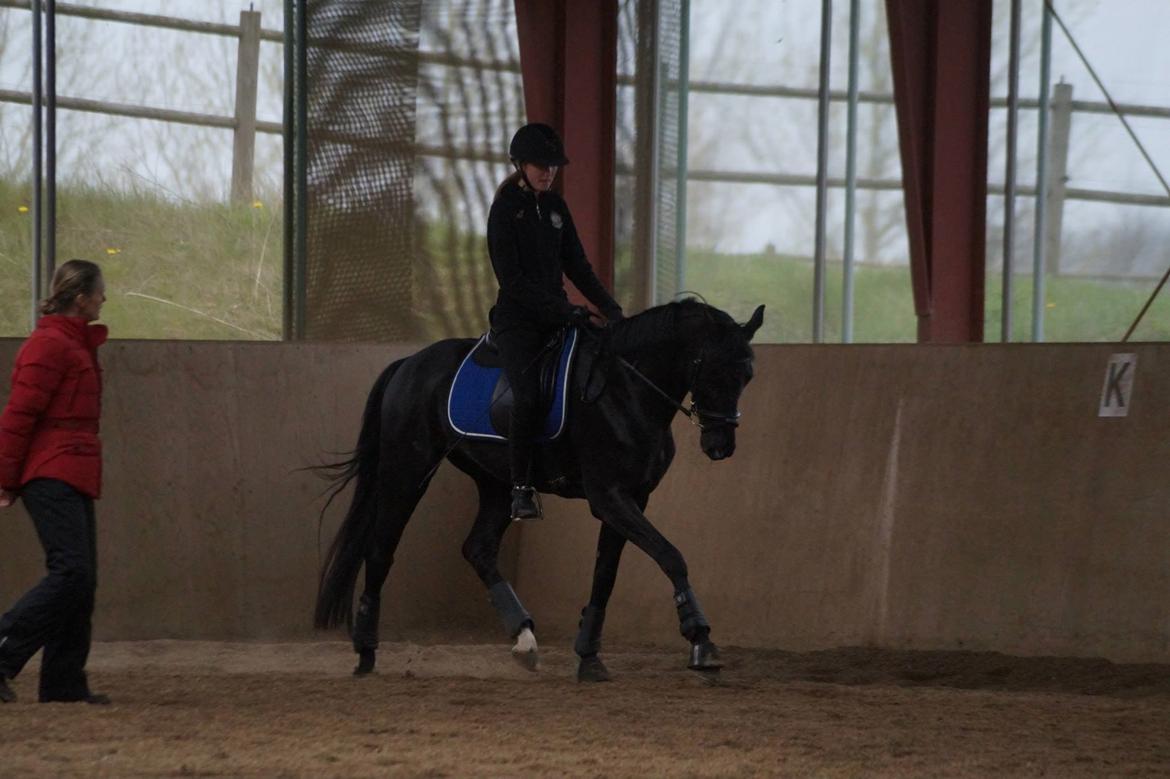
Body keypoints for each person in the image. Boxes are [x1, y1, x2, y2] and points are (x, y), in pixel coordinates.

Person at [487, 123, 623, 521]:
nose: (549, 172)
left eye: (553, 166)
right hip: (519, 322)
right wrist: (565, 310)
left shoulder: (556, 209)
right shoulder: (504, 210)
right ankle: (520, 489)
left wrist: (609, 307)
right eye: (540, 165)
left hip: (558, 317)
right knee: (527, 396)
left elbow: (577, 266)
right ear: (520, 164)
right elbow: (511, 280)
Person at [0, 259, 109, 705]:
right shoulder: (50, 346)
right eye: (100, 290)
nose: (105, 297)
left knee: (81, 579)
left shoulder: (73, 345)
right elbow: (19, 415)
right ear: (81, 297)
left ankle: (64, 682)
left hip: (73, 470)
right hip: (52, 472)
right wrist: (6, 478)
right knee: (72, 573)